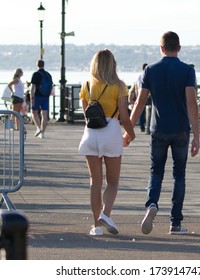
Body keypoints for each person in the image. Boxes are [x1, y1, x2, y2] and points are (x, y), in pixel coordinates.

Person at [124, 31, 200, 235]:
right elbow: (192, 104)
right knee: (179, 176)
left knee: (155, 171)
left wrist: (129, 131)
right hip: (181, 130)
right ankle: (175, 223)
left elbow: (139, 102)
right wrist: (197, 136)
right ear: (179, 48)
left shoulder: (150, 70)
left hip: (158, 129)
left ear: (161, 48)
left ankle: (152, 205)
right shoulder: (187, 71)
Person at [78, 49, 135, 236]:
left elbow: (87, 113)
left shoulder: (87, 85)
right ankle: (106, 214)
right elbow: (124, 117)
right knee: (113, 182)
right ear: (113, 64)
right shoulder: (119, 86)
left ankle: (96, 227)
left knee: (95, 181)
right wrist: (131, 134)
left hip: (90, 133)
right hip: (110, 131)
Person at [30, 60, 53, 138]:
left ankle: (38, 128)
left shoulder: (35, 74)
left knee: (33, 112)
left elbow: (32, 87)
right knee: (44, 114)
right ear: (44, 65)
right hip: (45, 97)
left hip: (37, 96)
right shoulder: (48, 74)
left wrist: (31, 97)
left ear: (37, 65)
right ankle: (42, 133)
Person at [128, 63, 149, 133]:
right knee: (147, 111)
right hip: (147, 96)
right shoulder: (147, 75)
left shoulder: (139, 76)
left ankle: (142, 126)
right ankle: (146, 126)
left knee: (142, 112)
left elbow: (138, 87)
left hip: (140, 95)